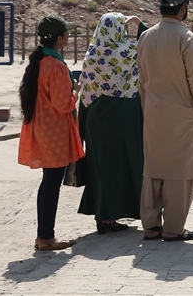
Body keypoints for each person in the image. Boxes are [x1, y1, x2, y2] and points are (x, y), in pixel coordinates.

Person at [137, 0, 193, 241]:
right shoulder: (187, 39)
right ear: (183, 8)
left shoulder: (145, 37)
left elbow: (141, 82)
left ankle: (151, 226)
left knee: (154, 169)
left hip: (153, 114)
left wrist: (148, 110)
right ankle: (174, 228)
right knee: (180, 174)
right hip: (183, 118)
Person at [76, 12, 148, 235]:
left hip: (97, 119)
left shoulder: (92, 54)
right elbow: (151, 40)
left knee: (102, 168)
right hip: (124, 117)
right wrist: (140, 24)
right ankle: (126, 210)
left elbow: (84, 94)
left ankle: (104, 216)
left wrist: (81, 127)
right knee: (128, 164)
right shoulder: (128, 51)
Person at [17, 14, 85, 251]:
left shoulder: (41, 61)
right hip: (54, 130)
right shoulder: (55, 65)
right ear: (59, 38)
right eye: (67, 33)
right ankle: (46, 237)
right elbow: (62, 103)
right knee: (52, 183)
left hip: (44, 128)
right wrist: (75, 91)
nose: (69, 35)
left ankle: (43, 235)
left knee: (48, 181)